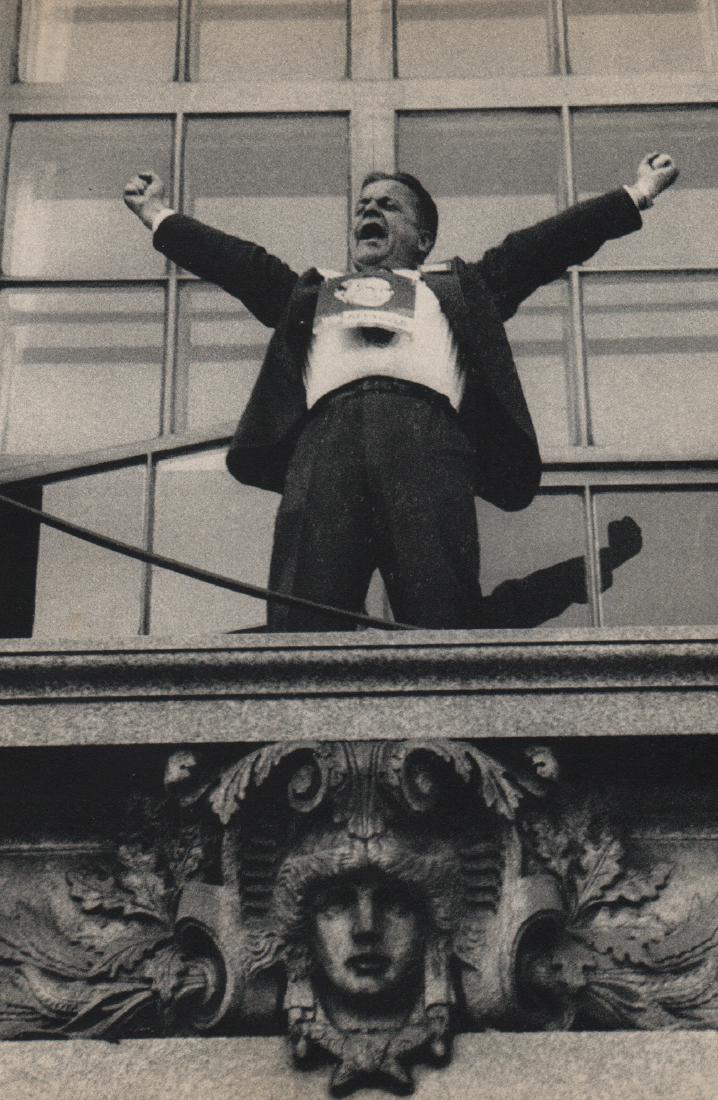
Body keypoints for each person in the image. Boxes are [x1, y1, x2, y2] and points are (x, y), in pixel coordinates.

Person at [124, 154, 678, 631]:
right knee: (302, 614)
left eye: (389, 205)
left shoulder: (460, 288)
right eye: (363, 206)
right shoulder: (315, 292)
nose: (370, 211)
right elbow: (239, 263)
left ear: (424, 239)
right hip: (326, 442)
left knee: (440, 611)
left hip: (425, 438)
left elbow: (544, 246)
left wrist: (638, 192)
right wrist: (157, 213)